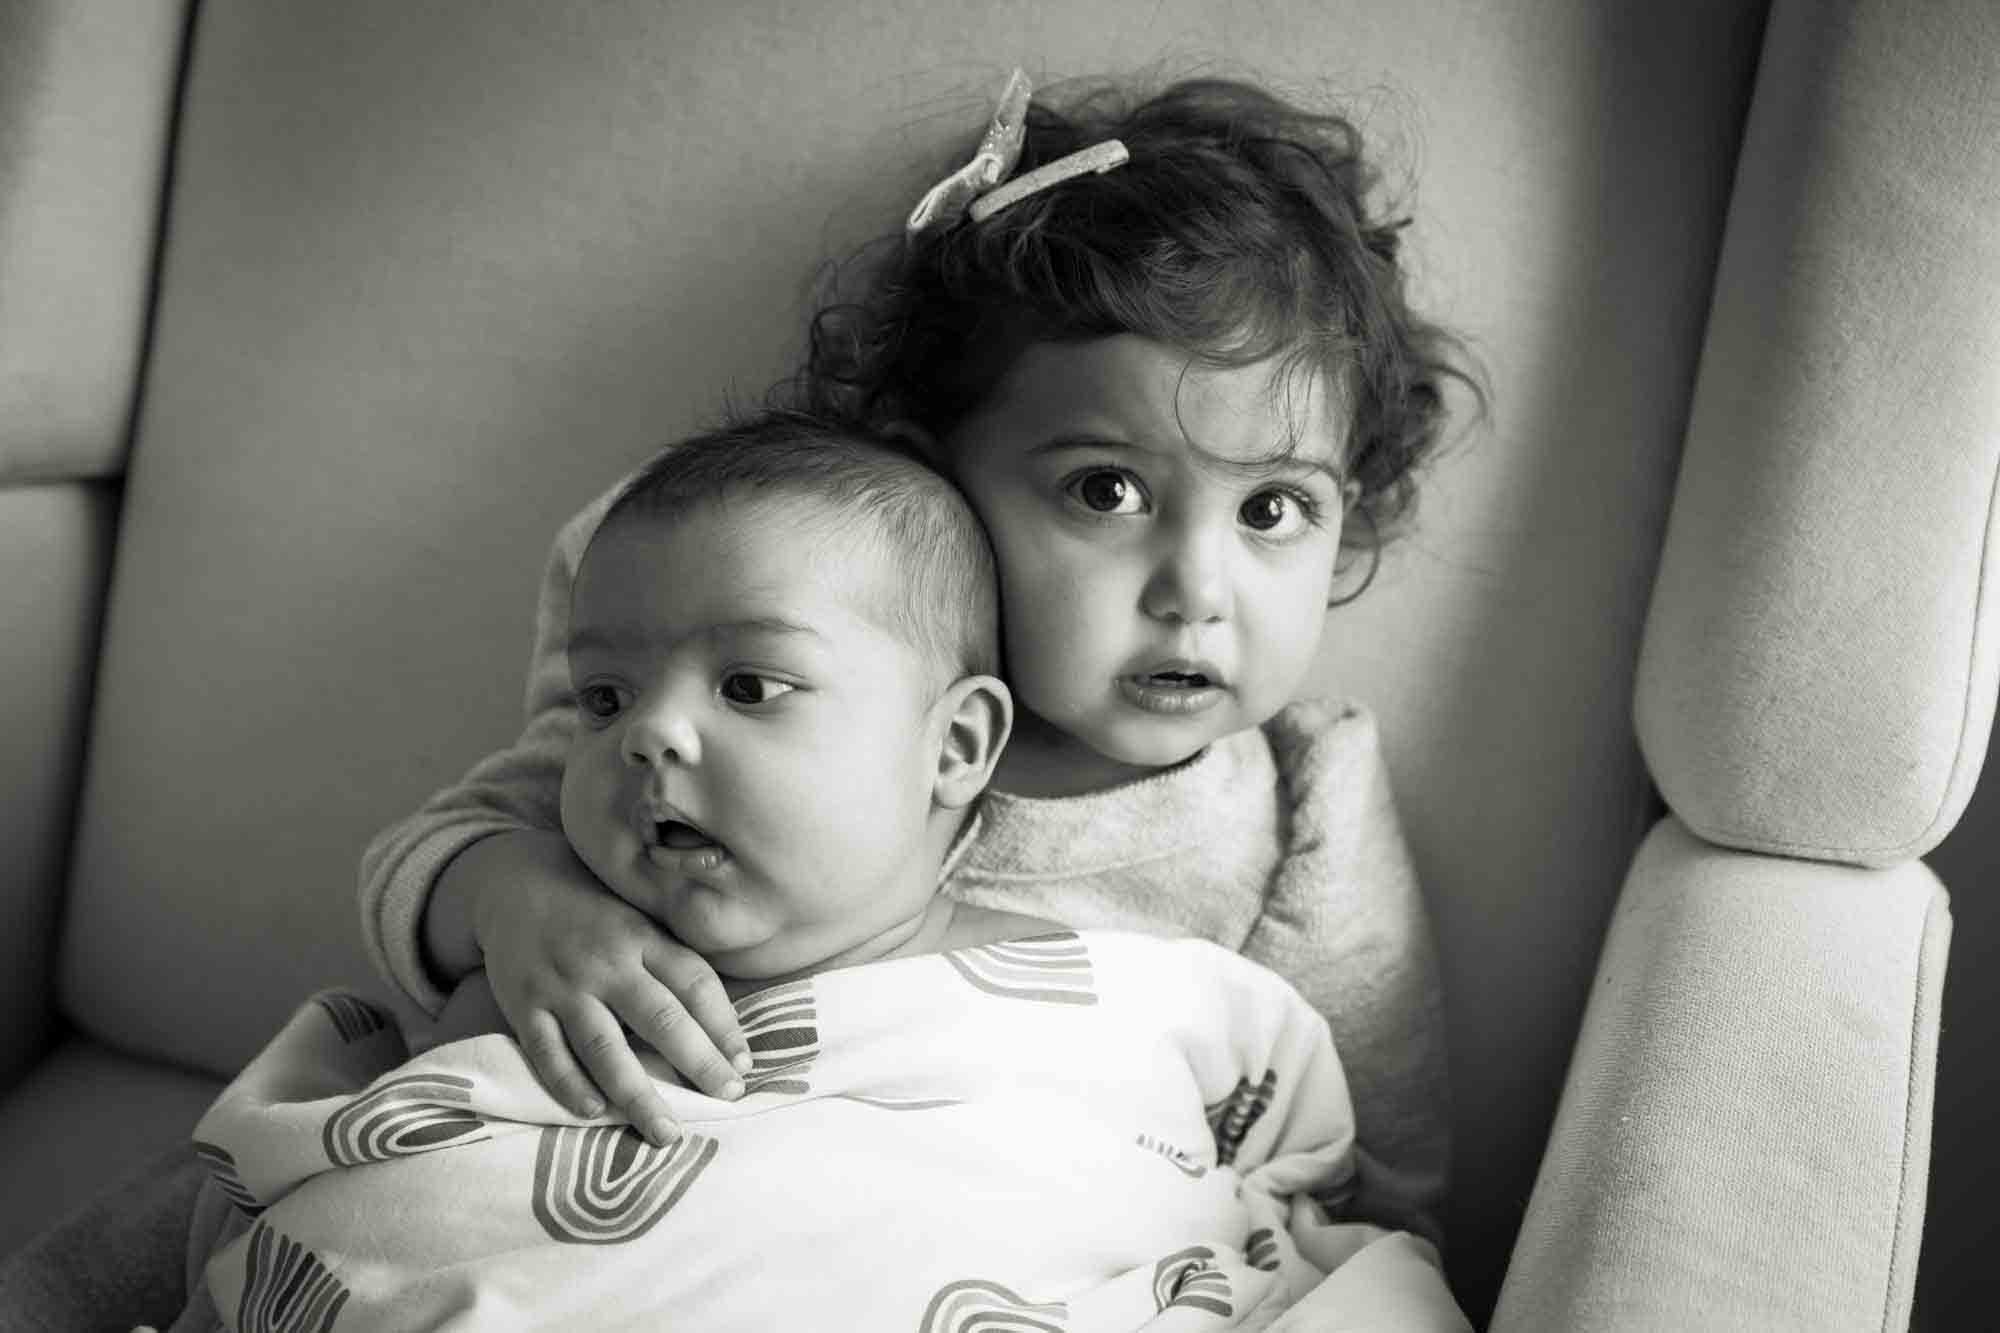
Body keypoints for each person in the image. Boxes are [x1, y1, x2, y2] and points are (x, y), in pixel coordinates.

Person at [359, 72, 1477, 1249]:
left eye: (1272, 511)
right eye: (1106, 490)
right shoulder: (733, 644)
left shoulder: (1300, 818)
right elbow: (442, 853)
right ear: (936, 471)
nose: (1196, 591)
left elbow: (1374, 1188)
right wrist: (509, 899)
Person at [164, 412, 1467, 1331]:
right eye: (605, 692)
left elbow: (1307, 1155)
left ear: (956, 745)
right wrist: (511, 904)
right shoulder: (571, 896)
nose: (648, 734)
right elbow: (345, 1196)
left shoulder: (1142, 971)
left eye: (749, 686)